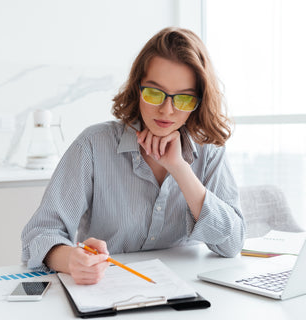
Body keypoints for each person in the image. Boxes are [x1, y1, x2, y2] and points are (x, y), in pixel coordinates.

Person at [22, 27, 245, 285]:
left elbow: (232, 244)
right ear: (137, 88)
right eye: (154, 93)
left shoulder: (209, 150)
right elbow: (39, 234)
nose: (166, 110)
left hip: (189, 294)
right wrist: (72, 259)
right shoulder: (93, 146)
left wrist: (180, 169)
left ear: (198, 101)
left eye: (183, 99)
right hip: (108, 292)